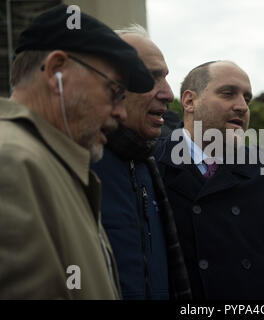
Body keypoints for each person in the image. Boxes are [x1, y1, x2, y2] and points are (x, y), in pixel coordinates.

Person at [0, 5, 154, 299]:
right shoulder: (11, 163)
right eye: (115, 92)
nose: (121, 112)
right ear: (57, 70)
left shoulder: (49, 162)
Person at [155, 60, 264, 300]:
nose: (242, 106)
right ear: (189, 101)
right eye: (228, 94)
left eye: (247, 99)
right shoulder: (151, 165)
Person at [91, 25, 192, 300]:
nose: (169, 94)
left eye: (166, 78)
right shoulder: (74, 166)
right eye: (150, 77)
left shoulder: (153, 166)